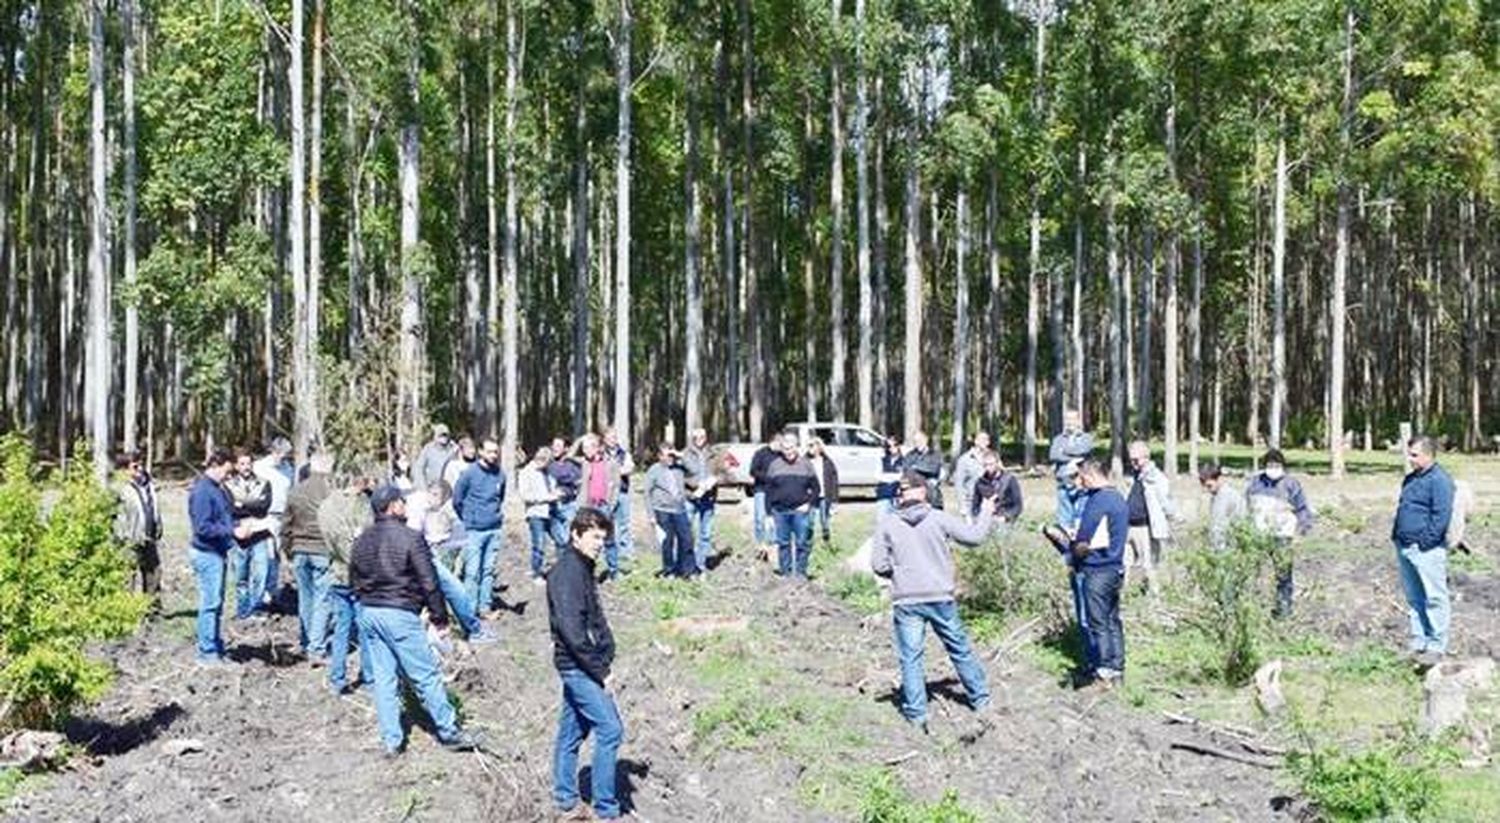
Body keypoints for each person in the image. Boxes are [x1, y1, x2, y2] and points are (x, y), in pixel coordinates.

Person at [351, 485, 480, 757]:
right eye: (401, 501)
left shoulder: (362, 540)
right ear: (392, 506)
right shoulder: (411, 538)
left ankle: (391, 741)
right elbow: (429, 581)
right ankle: (449, 731)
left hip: (369, 612)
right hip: (399, 613)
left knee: (385, 679)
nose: (406, 506)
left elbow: (354, 579)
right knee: (425, 674)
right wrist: (439, 617)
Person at [870, 470, 995, 732]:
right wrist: (987, 511)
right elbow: (975, 538)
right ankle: (980, 700)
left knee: (911, 657)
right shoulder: (939, 519)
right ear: (923, 492)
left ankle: (916, 715)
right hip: (940, 597)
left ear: (901, 494)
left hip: (906, 600)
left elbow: (879, 565)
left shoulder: (888, 523)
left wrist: (900, 573)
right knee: (959, 649)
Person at [547, 508, 625, 820]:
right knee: (610, 730)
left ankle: (565, 797)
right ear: (575, 535)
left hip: (583, 664)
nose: (599, 544)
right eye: (594, 537)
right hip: (577, 666)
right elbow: (572, 631)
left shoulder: (582, 567)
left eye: (603, 539)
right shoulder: (567, 573)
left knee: (571, 733)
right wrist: (601, 671)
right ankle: (607, 809)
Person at [406, 481, 497, 643]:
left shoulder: (422, 503)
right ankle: (474, 630)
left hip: (416, 554)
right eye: (440, 501)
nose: (440, 506)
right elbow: (412, 537)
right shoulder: (417, 507)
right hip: (417, 557)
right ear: (433, 494)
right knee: (455, 590)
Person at [1393, 436, 1456, 665]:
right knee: (1414, 598)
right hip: (1404, 546)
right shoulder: (1410, 479)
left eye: (1414, 455)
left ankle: (1437, 645)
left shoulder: (1440, 481)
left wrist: (1425, 542)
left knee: (1435, 597)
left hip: (1425, 550)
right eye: (1409, 454)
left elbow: (1441, 517)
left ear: (1429, 455)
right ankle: (1419, 643)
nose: (1410, 459)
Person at [1068, 459, 1129, 691]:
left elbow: (1084, 540)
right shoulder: (1118, 499)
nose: (1079, 482)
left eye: (1081, 477)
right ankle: (1118, 670)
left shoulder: (1098, 501)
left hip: (1097, 570)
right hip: (1115, 568)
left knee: (1098, 623)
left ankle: (1103, 673)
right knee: (1113, 621)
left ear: (1091, 476)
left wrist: (1071, 551)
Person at [317, 475, 376, 694]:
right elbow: (366, 538)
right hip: (360, 576)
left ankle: (337, 679)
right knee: (365, 629)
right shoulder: (361, 505)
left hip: (337, 574)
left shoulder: (325, 506)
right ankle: (369, 679)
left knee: (341, 629)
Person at [188, 449, 242, 665]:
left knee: (217, 603)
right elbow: (202, 527)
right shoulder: (203, 491)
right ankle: (207, 651)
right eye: (227, 471)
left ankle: (214, 645)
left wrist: (237, 526)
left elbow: (222, 518)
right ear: (216, 465)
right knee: (210, 603)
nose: (228, 476)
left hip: (217, 552)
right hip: (206, 553)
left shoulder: (218, 489)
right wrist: (231, 531)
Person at [1246, 449, 1315, 617]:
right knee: (1253, 573)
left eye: (1276, 465)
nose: (1273, 468)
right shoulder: (1256, 483)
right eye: (1270, 465)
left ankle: (1284, 610)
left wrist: (1303, 529)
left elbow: (1302, 508)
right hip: (1259, 535)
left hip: (1283, 536)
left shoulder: (1291, 484)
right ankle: (1253, 610)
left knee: (1283, 575)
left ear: (1283, 466)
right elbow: (1247, 505)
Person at [284, 453, 337, 662]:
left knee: (305, 598)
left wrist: (288, 549)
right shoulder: (330, 493)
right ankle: (316, 648)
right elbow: (335, 526)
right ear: (328, 467)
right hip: (321, 551)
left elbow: (286, 524)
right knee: (322, 599)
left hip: (299, 550)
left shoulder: (295, 491)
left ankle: (307, 641)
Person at [453, 438, 506, 615]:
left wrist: (496, 516)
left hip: (494, 528)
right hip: (474, 530)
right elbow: (457, 499)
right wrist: (469, 519)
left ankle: (485, 607)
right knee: (472, 572)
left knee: (488, 570)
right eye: (489, 451)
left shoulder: (500, 474)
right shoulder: (469, 473)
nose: (493, 455)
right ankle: (469, 610)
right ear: (481, 452)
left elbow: (500, 498)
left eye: (495, 452)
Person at [226, 447, 275, 619]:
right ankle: (243, 609)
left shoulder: (263, 483)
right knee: (241, 575)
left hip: (260, 532)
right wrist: (249, 504)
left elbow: (264, 506)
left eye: (249, 463)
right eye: (242, 464)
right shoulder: (228, 484)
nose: (246, 467)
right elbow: (230, 508)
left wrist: (242, 504)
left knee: (261, 572)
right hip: (239, 535)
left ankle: (257, 607)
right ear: (236, 466)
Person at [111, 450, 163, 610]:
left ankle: (152, 609)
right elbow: (113, 516)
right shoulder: (119, 488)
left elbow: (153, 508)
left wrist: (159, 525)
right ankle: (126, 611)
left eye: (141, 464)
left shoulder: (149, 485)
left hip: (149, 537)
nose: (139, 468)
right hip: (129, 540)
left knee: (154, 573)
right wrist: (121, 536)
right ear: (126, 469)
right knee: (128, 577)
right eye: (135, 466)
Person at [1123, 440, 1177, 594]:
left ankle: (1154, 596)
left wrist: (1173, 519)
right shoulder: (1134, 476)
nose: (1133, 463)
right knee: (1125, 563)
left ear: (1146, 457)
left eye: (1136, 460)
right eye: (1131, 459)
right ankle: (1124, 594)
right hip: (1128, 526)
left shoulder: (1156, 477)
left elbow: (1166, 501)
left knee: (1149, 565)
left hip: (1145, 527)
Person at [764, 434, 820, 579]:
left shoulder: (806, 464)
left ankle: (801, 573)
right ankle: (786, 573)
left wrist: (809, 504)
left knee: (802, 543)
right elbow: (768, 491)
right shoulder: (774, 465)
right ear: (781, 449)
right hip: (779, 511)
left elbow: (816, 488)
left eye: (791, 448)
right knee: (783, 543)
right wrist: (769, 513)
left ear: (796, 447)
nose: (788, 452)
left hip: (800, 511)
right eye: (785, 448)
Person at [644, 444, 696, 578]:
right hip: (662, 510)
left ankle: (687, 570)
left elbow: (694, 469)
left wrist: (681, 455)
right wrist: (651, 515)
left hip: (679, 509)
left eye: (671, 455)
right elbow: (647, 493)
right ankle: (669, 570)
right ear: (660, 456)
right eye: (667, 455)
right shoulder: (654, 470)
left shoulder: (679, 467)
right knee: (667, 542)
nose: (670, 458)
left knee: (687, 540)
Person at [253, 437, 294, 606]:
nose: (283, 458)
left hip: (282, 516)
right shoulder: (260, 467)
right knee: (265, 556)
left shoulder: (288, 469)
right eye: (281, 454)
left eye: (286, 455)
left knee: (276, 556)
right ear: (273, 451)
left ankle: (272, 591)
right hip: (266, 516)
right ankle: (259, 594)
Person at [578, 434, 624, 579]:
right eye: (583, 448)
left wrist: (611, 505)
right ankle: (588, 570)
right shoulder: (584, 463)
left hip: (604, 506)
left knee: (609, 539)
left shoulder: (611, 463)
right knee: (588, 540)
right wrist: (580, 440)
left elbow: (616, 485)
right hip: (588, 506)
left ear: (596, 448)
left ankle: (613, 570)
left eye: (587, 447)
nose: (584, 451)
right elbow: (569, 455)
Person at [521, 446, 563, 584]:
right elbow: (525, 496)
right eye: (542, 460)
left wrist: (557, 493)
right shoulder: (526, 472)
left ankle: (564, 570)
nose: (544, 463)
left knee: (561, 540)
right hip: (536, 513)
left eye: (548, 461)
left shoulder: (548, 472)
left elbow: (552, 487)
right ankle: (536, 573)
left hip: (552, 511)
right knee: (539, 544)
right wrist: (546, 498)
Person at [681, 428, 719, 573]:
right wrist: (696, 485)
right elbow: (682, 475)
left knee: (706, 534)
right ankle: (686, 564)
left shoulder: (713, 454)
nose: (700, 439)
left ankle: (700, 565)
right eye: (697, 437)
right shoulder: (685, 453)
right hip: (691, 497)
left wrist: (714, 480)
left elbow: (722, 472)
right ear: (692, 438)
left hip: (708, 498)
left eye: (702, 436)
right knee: (687, 532)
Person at [1048, 409, 1094, 528]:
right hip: (1063, 482)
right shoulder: (1058, 439)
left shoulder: (1086, 438)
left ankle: (1079, 540)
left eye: (1073, 419)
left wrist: (1065, 451)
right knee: (1064, 516)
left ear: (1079, 421)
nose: (1070, 422)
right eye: (1067, 419)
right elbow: (1053, 455)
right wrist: (1075, 456)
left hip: (1081, 483)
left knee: (1081, 515)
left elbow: (1084, 450)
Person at [602, 427, 636, 565]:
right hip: (606, 494)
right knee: (607, 524)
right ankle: (609, 554)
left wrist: (611, 472)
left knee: (624, 525)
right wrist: (617, 471)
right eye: (609, 438)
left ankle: (626, 553)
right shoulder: (600, 454)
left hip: (622, 492)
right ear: (604, 440)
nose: (612, 440)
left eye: (614, 438)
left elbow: (629, 469)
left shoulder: (625, 454)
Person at [1198, 463, 1247, 552]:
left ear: (1219, 479)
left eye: (1209, 486)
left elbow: (1218, 524)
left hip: (1228, 546)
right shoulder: (1217, 495)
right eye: (1204, 486)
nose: (1207, 490)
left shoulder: (1225, 496)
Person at [971, 450, 1023, 527]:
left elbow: (1018, 506)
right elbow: (975, 506)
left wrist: (1006, 517)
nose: (988, 468)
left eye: (991, 464)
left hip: (1005, 520)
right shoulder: (980, 482)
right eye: (986, 465)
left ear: (998, 463)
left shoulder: (1010, 480)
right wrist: (979, 517)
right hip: (986, 521)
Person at [548, 435, 583, 546]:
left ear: (566, 449)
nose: (555, 448)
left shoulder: (573, 465)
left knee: (569, 536)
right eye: (553, 445)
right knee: (558, 538)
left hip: (569, 504)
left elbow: (578, 481)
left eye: (558, 445)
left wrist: (565, 481)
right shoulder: (548, 463)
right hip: (553, 505)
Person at [748, 436, 781, 549]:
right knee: (760, 517)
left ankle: (774, 541)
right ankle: (760, 541)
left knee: (776, 516)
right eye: (778, 443)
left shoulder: (781, 455)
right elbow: (753, 471)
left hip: (777, 491)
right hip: (761, 489)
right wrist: (768, 477)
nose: (780, 445)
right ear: (772, 441)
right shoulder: (760, 453)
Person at [806, 437, 840, 543]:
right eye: (809, 445)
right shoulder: (805, 461)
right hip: (811, 495)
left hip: (824, 495)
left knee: (824, 520)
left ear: (819, 447)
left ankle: (826, 541)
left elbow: (834, 481)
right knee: (810, 520)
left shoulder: (827, 462)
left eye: (812, 445)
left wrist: (834, 498)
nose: (810, 448)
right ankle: (808, 542)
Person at [951, 432, 992, 522]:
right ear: (975, 441)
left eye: (987, 440)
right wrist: (963, 507)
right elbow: (959, 484)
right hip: (971, 503)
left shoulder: (992, 458)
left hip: (988, 503)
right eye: (982, 439)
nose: (985, 442)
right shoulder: (964, 460)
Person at [902, 431, 945, 510]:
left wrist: (916, 467)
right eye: (915, 441)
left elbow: (934, 469)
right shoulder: (910, 455)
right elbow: (906, 468)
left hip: (931, 493)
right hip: (914, 493)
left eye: (920, 441)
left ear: (926, 440)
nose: (918, 443)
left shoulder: (935, 455)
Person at [413, 423, 457, 490]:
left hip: (448, 488)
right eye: (441, 435)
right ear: (436, 436)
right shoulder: (428, 449)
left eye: (445, 435)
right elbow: (419, 468)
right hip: (431, 486)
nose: (444, 438)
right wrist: (423, 487)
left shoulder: (453, 449)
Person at [875, 436, 904, 516]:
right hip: (883, 494)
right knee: (882, 520)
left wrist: (887, 476)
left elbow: (902, 476)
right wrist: (894, 477)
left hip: (897, 495)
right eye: (888, 446)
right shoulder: (882, 460)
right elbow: (878, 476)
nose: (892, 448)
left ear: (898, 446)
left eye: (895, 445)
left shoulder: (904, 461)